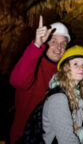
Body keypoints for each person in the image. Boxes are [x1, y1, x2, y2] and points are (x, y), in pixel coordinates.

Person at [9, 16, 70, 144]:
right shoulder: (33, 63)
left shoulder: (67, 72)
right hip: (25, 137)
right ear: (45, 43)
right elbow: (18, 81)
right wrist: (36, 45)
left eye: (63, 43)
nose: (59, 47)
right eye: (53, 42)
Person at [43, 45, 83, 143]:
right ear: (65, 68)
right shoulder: (58, 98)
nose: (81, 68)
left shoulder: (77, 94)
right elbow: (67, 140)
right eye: (75, 64)